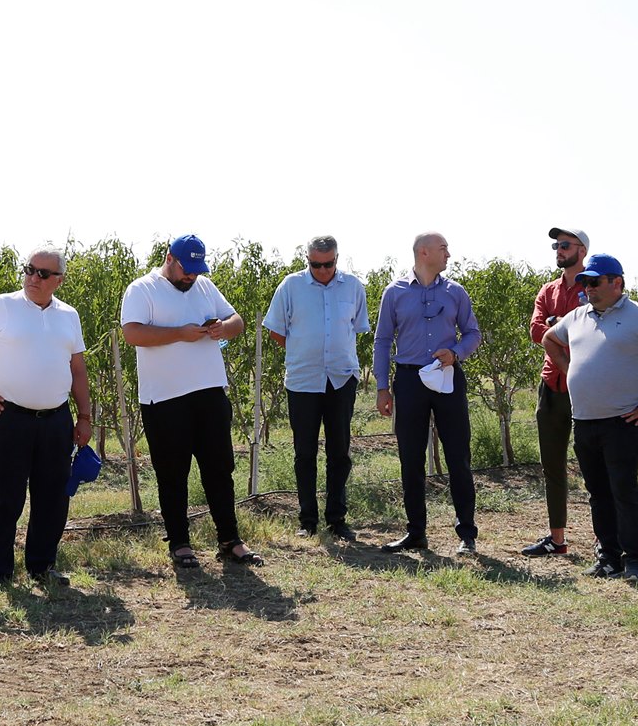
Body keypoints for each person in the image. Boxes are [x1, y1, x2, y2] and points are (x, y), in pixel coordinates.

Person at [0, 246, 92, 594]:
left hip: (57, 420)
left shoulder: (69, 315)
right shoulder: (3, 306)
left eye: (43, 273)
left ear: (59, 280)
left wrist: (84, 416)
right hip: (11, 418)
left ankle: (42, 567)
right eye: (29, 269)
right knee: (6, 498)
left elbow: (77, 369)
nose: (33, 278)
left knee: (53, 498)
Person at [120, 235, 261, 569]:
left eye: (198, 270)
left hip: (210, 392)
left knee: (220, 468)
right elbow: (132, 334)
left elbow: (237, 321)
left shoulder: (205, 286)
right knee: (172, 473)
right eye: (187, 270)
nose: (192, 276)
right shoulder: (142, 289)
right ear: (170, 258)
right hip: (163, 398)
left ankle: (230, 540)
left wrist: (224, 328)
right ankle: (180, 543)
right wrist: (179, 333)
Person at [542, 254, 638, 581]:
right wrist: (570, 368)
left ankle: (634, 559)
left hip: (623, 422)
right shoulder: (577, 317)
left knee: (624, 491)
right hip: (585, 420)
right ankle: (608, 556)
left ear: (616, 282)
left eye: (594, 282)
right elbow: (550, 339)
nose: (587, 288)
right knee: (598, 493)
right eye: (585, 283)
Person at [374, 232, 483, 556]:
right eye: (443, 248)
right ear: (424, 252)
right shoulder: (394, 292)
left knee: (458, 457)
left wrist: (456, 353)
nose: (448, 254)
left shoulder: (456, 292)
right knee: (410, 458)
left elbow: (473, 333)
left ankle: (467, 534)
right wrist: (382, 387)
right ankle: (416, 533)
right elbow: (382, 340)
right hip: (409, 381)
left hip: (447, 377)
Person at [261, 235, 369, 540]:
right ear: (307, 260)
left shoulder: (353, 287)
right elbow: (276, 330)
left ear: (337, 259)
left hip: (341, 379)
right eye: (315, 264)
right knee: (304, 453)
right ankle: (307, 520)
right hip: (303, 381)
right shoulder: (290, 286)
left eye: (328, 264)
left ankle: (337, 519)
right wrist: (302, 349)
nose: (322, 270)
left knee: (339, 452)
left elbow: (356, 328)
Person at [521, 227, 590, 558]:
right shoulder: (548, 290)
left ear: (582, 250)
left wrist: (557, 323)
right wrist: (564, 324)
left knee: (593, 465)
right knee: (552, 465)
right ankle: (557, 539)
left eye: (564, 245)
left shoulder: (594, 287)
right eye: (556, 246)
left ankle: (605, 538)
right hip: (551, 385)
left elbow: (590, 329)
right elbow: (536, 331)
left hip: (587, 386)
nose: (559, 250)